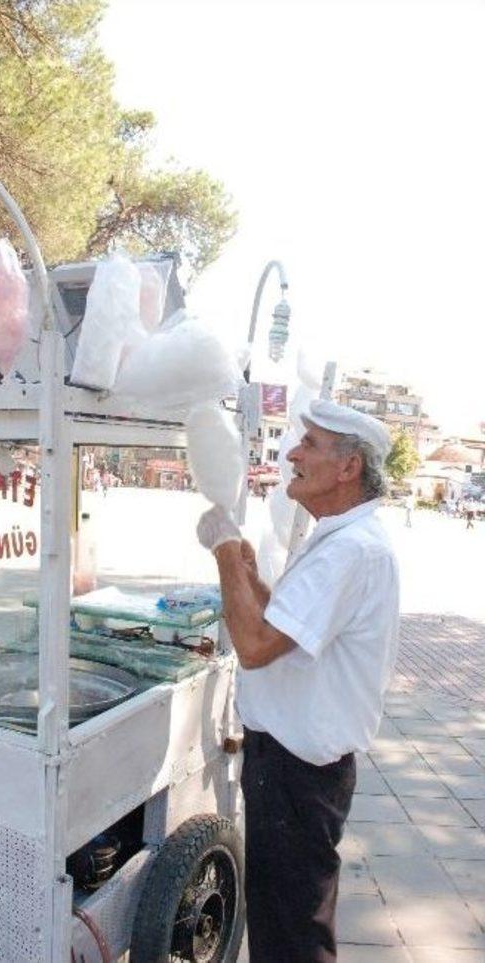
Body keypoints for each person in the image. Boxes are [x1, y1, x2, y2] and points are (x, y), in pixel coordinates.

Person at [196, 399, 399, 963]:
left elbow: (257, 647)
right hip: (294, 769)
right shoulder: (340, 539)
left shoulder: (352, 551)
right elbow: (285, 626)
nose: (292, 455)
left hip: (297, 774)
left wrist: (223, 561)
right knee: (286, 920)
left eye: (308, 444)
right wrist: (253, 581)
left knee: (290, 934)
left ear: (348, 467)